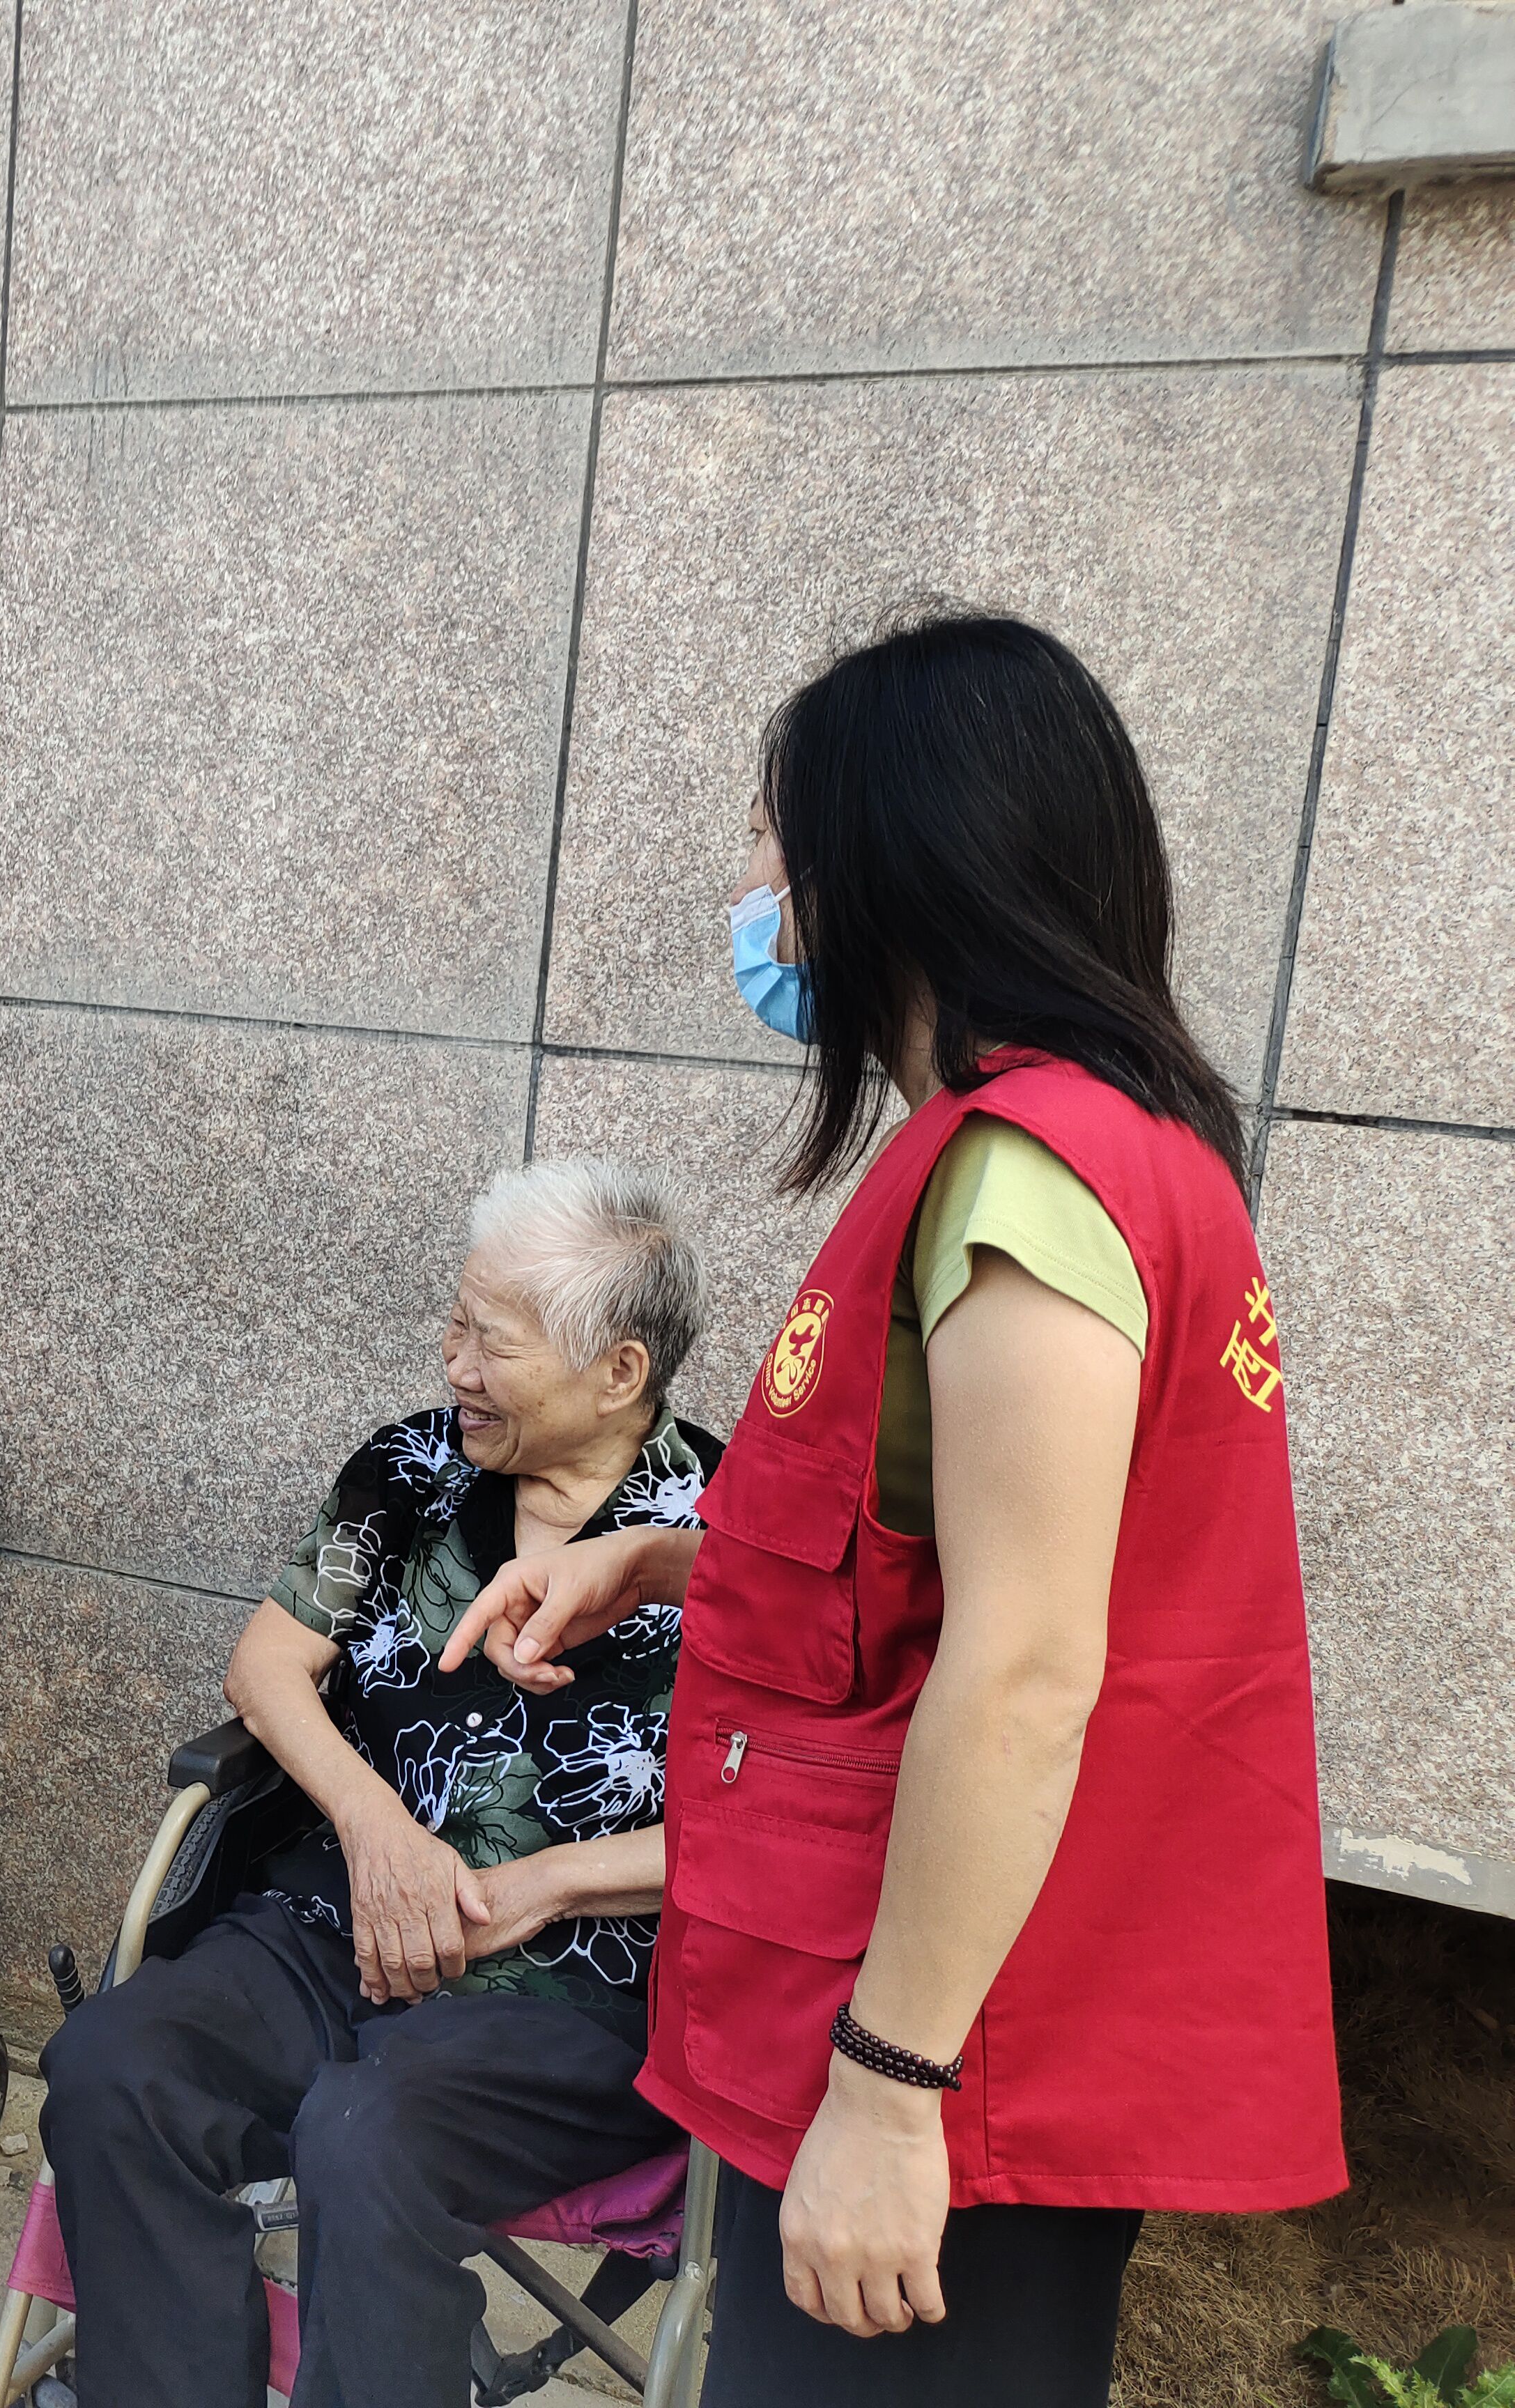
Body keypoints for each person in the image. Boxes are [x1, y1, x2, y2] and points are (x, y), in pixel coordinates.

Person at [450, 614, 1345, 2407]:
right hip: (977, 2009)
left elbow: (1023, 1667)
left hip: (963, 2046)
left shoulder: (1029, 1176)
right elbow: (944, 1564)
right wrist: (670, 1562)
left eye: (774, 846)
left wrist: (888, 2086)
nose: (759, 897)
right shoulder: (1105, 1151)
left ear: (887, 863)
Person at [39, 1159, 723, 2408]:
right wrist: (376, 1831)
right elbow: (267, 1665)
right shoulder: (410, 1473)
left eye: (492, 1342)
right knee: (112, 2068)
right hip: (335, 1922)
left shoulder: (733, 1544)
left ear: (619, 1370)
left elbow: (787, 1822)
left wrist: (546, 1886)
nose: (454, 1364)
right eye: (457, 1324)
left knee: (367, 2138)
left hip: (574, 1993)